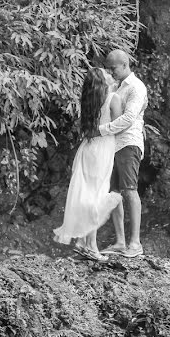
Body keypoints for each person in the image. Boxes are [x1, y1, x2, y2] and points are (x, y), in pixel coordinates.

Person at [53, 68, 124, 262]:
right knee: (97, 196)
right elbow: (119, 126)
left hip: (87, 149)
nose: (110, 74)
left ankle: (83, 242)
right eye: (106, 73)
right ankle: (91, 246)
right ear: (103, 81)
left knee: (88, 194)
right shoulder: (113, 98)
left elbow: (88, 128)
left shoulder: (90, 102)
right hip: (103, 149)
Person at [92, 49, 148, 258]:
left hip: (128, 144)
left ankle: (135, 243)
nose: (110, 71)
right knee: (114, 192)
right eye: (108, 68)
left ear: (125, 65)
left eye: (113, 68)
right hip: (113, 145)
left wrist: (101, 131)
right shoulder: (115, 86)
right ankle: (120, 241)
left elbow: (129, 118)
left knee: (129, 190)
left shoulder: (136, 87)